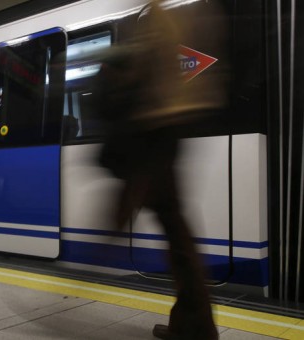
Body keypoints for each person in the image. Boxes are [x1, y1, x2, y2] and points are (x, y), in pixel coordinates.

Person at [94, 2, 221, 339]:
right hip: (163, 135)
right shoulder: (171, 20)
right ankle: (192, 324)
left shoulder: (158, 20)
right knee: (177, 233)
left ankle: (197, 327)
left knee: (177, 236)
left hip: (152, 136)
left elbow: (146, 80)